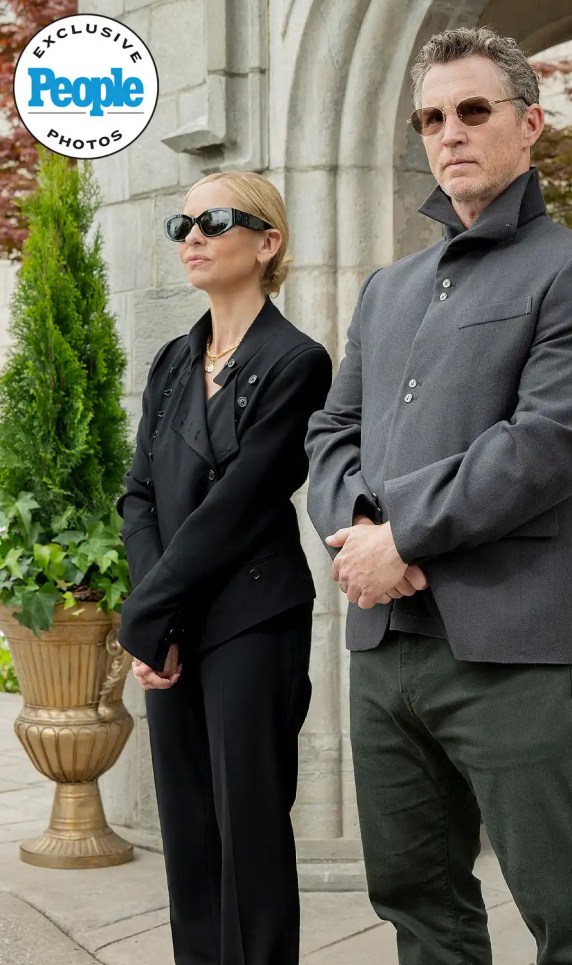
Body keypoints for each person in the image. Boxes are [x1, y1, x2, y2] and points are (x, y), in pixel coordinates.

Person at [305, 26, 572, 965]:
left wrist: (403, 535)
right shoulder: (388, 288)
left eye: (473, 110)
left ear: (529, 124)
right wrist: (357, 527)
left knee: (570, 915)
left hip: (512, 648)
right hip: (385, 649)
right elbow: (332, 429)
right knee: (418, 908)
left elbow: (547, 445)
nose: (449, 132)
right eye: (431, 118)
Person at [116, 170, 332, 965]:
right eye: (183, 225)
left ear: (267, 242)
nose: (193, 237)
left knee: (250, 834)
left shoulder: (298, 361)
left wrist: (148, 615)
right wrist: (159, 621)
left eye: (214, 221)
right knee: (189, 834)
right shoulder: (174, 361)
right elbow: (139, 495)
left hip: (252, 617)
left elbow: (237, 506)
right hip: (174, 624)